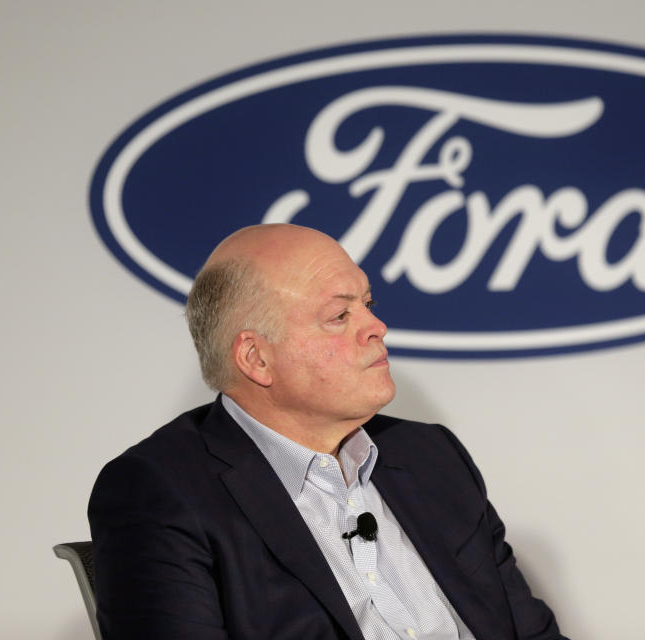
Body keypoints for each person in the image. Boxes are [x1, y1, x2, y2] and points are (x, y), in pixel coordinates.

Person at [88, 223, 566, 639]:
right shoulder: (159, 490)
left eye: (369, 304)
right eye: (340, 316)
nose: (377, 326)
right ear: (256, 358)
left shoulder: (431, 456)